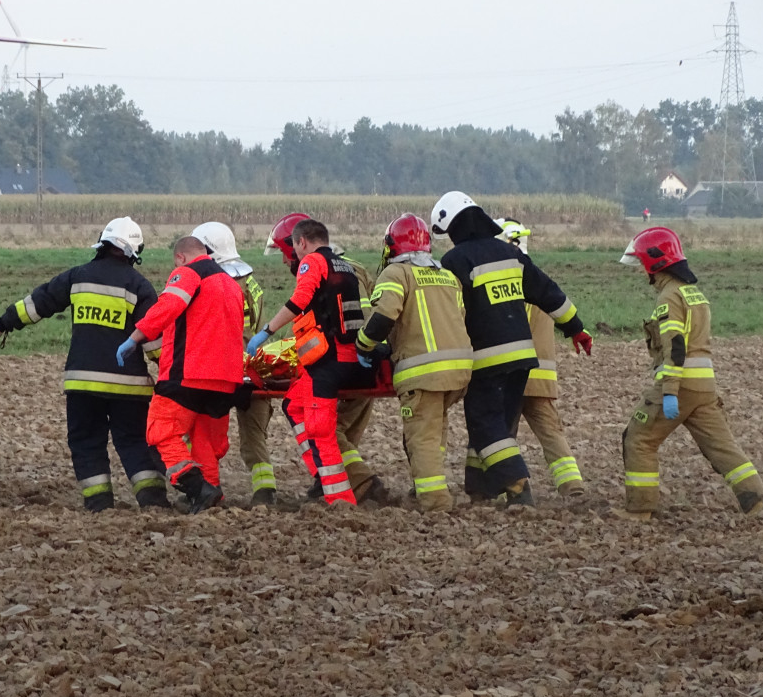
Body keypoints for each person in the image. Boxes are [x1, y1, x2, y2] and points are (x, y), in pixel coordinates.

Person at [0, 216, 169, 513]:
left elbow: (38, 303)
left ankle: (99, 504)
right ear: (135, 251)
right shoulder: (139, 286)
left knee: (86, 442)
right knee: (135, 441)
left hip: (82, 383)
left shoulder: (77, 276)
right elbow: (154, 339)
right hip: (128, 387)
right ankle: (153, 502)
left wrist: (1, 325)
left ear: (102, 243)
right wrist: (172, 376)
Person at [431, 191, 593, 507]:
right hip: (522, 358)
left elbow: (449, 311)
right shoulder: (511, 254)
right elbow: (549, 293)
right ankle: (481, 488)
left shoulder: (456, 261)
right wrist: (576, 328)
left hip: (487, 360)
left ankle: (518, 485)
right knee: (498, 424)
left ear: (457, 228)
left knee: (485, 422)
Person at [616, 226, 763, 521]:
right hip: (704, 387)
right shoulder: (694, 294)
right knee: (722, 446)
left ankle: (639, 509)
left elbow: (675, 347)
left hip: (680, 384)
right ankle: (757, 501)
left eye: (641, 264)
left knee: (638, 438)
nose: (639, 272)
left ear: (655, 263)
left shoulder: (669, 298)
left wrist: (670, 391)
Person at [248, 218, 375, 507]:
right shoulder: (345, 265)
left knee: (321, 430)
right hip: (349, 356)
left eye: (292, 247)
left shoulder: (312, 263)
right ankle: (322, 474)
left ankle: (339, 498)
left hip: (328, 361)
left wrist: (266, 332)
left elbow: (299, 301)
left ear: (301, 242)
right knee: (293, 404)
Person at [116, 236, 245, 515]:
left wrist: (135, 337)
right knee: (204, 443)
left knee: (161, 432)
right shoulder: (230, 283)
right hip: (226, 379)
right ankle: (210, 500)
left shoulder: (188, 273)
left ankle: (198, 489)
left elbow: (167, 307)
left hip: (189, 374)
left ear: (181, 258)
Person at [355, 213, 472, 511]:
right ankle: (426, 488)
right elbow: (459, 318)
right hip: (459, 371)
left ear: (391, 246)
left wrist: (364, 346)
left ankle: (434, 501)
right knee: (436, 431)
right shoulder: (448, 276)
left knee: (421, 437)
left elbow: (382, 317)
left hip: (423, 372)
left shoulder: (397, 274)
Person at [496, 218, 587, 500]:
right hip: (542, 377)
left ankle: (513, 490)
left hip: (509, 375)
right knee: (551, 432)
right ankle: (573, 486)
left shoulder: (500, 281)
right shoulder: (541, 281)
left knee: (500, 436)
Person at [189, 221, 277, 507]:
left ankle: (206, 490)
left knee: (203, 434)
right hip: (253, 368)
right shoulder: (250, 280)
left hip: (217, 370)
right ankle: (265, 491)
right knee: (254, 436)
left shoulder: (208, 282)